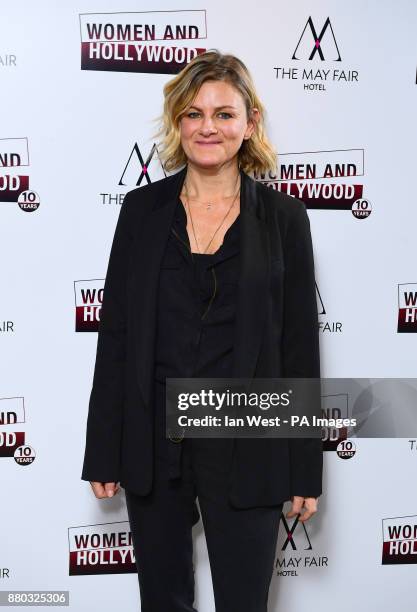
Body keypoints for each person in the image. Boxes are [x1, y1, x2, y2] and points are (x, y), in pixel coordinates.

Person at [81, 49, 322, 612]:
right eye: (193, 114)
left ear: (250, 122)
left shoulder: (284, 218)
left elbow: (298, 345)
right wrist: (102, 448)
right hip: (153, 441)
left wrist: (304, 466)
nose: (207, 127)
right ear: (177, 123)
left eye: (223, 113)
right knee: (161, 601)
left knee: (243, 601)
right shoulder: (141, 211)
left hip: (247, 441)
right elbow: (115, 334)